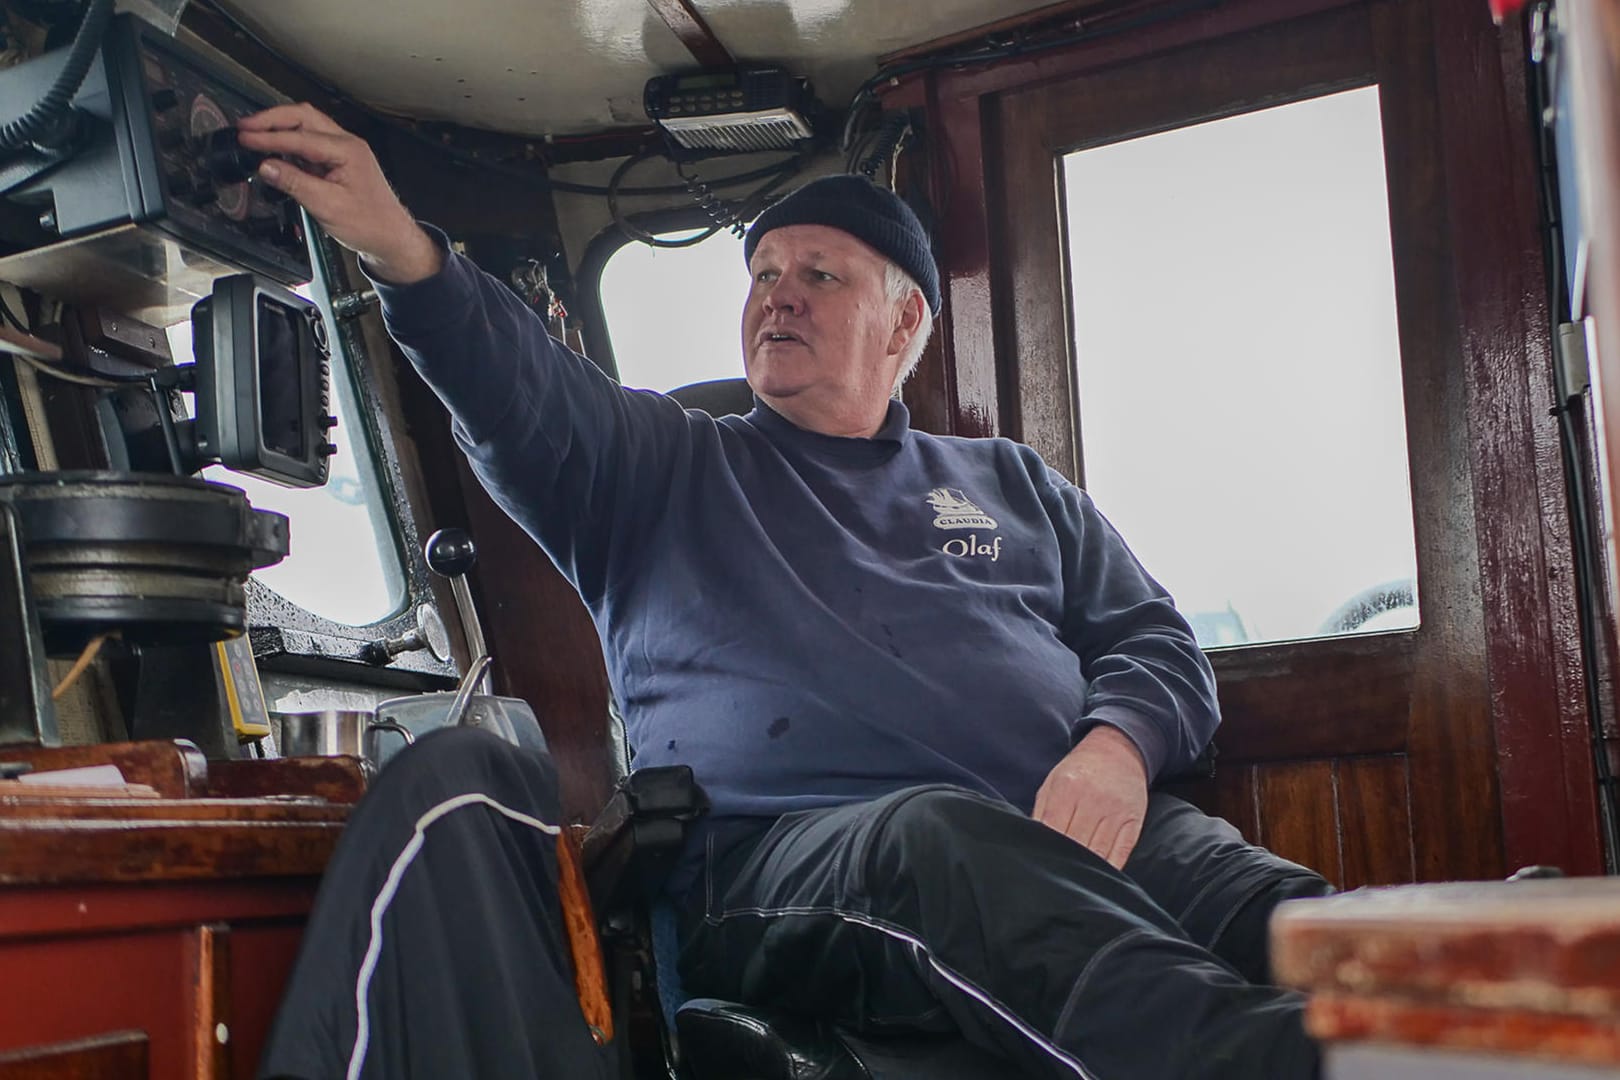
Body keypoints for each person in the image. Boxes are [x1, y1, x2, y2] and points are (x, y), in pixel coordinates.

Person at [241, 103, 1332, 1080]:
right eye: (765, 274)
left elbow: (1156, 642)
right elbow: (519, 392)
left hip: (1065, 824)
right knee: (940, 844)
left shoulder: (1010, 484)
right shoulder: (661, 466)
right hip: (779, 863)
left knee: (1284, 912)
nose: (781, 297)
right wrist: (404, 254)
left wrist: (1117, 748)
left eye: (821, 276)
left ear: (904, 326)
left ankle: (1460, 1016)